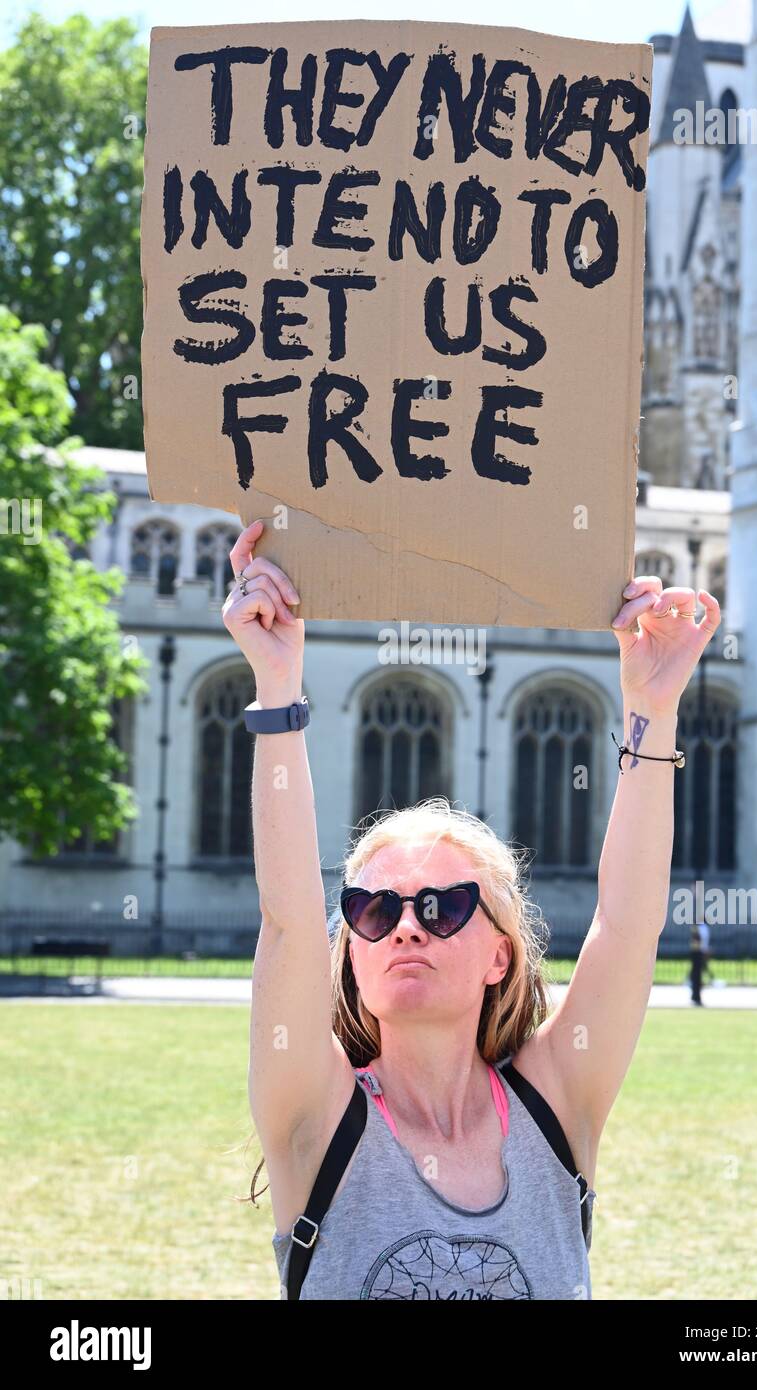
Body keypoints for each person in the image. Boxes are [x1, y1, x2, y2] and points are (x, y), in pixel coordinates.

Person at [223, 519, 721, 1301]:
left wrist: (652, 709)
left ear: (501, 955)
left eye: (445, 906)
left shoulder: (558, 1106)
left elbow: (626, 925)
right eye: (373, 911)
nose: (408, 924)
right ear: (351, 949)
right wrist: (278, 688)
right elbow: (286, 914)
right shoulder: (316, 1121)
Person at [689, 925, 705, 1006]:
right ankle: (696, 997)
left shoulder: (701, 927)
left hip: (700, 953)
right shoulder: (696, 927)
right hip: (697, 953)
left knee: (697, 976)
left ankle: (696, 996)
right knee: (696, 977)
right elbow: (695, 940)